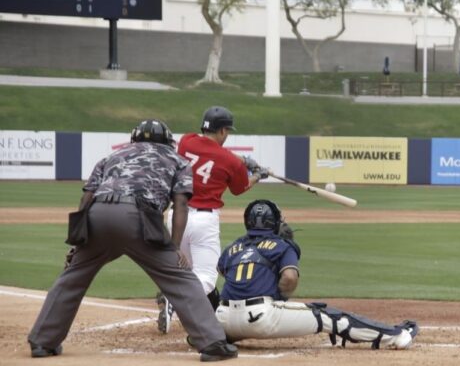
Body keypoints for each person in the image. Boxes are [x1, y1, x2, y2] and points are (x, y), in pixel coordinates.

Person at [27, 120, 237, 362]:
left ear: (134, 138)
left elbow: (86, 198)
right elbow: (181, 205)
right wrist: (174, 247)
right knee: (181, 277)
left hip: (98, 215)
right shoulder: (178, 160)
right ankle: (212, 343)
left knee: (72, 277)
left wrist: (78, 243)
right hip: (139, 219)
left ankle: (42, 342)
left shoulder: (113, 156)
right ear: (168, 141)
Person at [214, 199, 419, 350]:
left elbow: (222, 271)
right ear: (275, 223)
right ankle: (396, 336)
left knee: (231, 323)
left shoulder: (234, 247)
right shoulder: (282, 245)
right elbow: (290, 278)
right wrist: (280, 299)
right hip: (262, 318)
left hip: (222, 320)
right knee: (329, 315)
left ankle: (208, 337)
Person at [157, 106, 268, 334]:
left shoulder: (187, 141)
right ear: (223, 130)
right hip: (203, 221)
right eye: (227, 130)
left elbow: (209, 152)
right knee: (206, 278)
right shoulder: (231, 161)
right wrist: (257, 174)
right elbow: (240, 188)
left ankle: (173, 298)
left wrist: (244, 161)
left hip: (175, 216)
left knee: (183, 271)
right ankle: (172, 300)